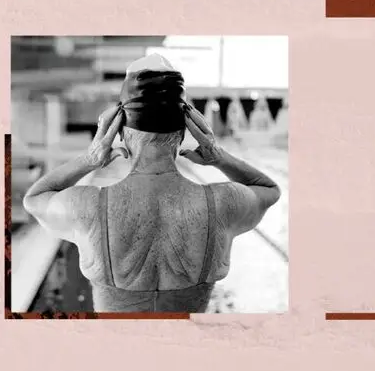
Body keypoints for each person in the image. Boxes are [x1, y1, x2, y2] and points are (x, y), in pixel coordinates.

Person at [22, 54, 281, 313]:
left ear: (121, 132)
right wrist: (217, 156)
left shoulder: (88, 207)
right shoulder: (223, 203)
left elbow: (34, 199)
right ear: (183, 133)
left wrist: (89, 160)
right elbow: (269, 189)